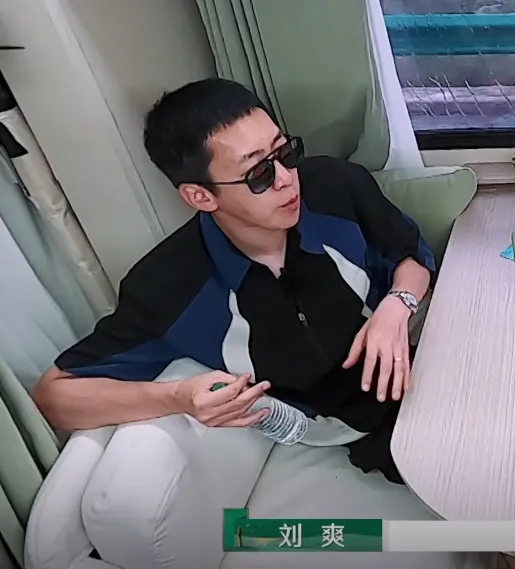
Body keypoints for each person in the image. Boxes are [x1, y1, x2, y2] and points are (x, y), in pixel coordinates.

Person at [31, 78, 435, 484]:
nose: (286, 179)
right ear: (201, 196)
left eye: (284, 152)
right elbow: (54, 395)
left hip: (430, 357)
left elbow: (412, 255)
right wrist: (177, 397)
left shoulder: (334, 185)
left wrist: (396, 305)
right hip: (355, 431)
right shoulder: (166, 286)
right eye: (258, 172)